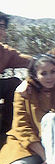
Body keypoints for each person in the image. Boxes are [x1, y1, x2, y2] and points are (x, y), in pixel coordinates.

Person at [0, 54, 55, 164]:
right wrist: (43, 154)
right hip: (29, 146)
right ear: (35, 75)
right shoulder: (23, 92)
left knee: (51, 118)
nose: (49, 77)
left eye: (53, 72)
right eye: (43, 73)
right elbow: (21, 127)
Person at [0, 12, 32, 145]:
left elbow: (33, 61)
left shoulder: (5, 52)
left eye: (1, 26)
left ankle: (6, 133)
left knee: (14, 83)